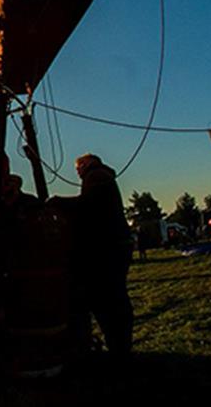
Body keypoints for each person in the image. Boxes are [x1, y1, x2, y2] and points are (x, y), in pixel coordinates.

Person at [70, 153, 133, 357]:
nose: (77, 172)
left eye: (78, 168)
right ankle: (119, 345)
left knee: (106, 298)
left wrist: (59, 203)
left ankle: (117, 346)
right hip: (117, 242)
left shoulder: (95, 177)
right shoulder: (103, 176)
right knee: (115, 296)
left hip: (108, 245)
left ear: (86, 164)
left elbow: (87, 205)